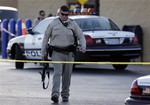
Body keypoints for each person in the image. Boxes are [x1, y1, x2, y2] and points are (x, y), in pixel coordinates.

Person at [41, 5, 86, 103]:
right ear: (59, 13)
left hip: (69, 53)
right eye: (62, 14)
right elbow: (45, 38)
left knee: (67, 75)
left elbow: (81, 36)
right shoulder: (53, 24)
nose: (64, 16)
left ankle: (65, 95)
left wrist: (83, 46)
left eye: (66, 15)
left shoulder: (73, 24)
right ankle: (55, 95)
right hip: (57, 53)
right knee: (57, 73)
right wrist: (43, 52)